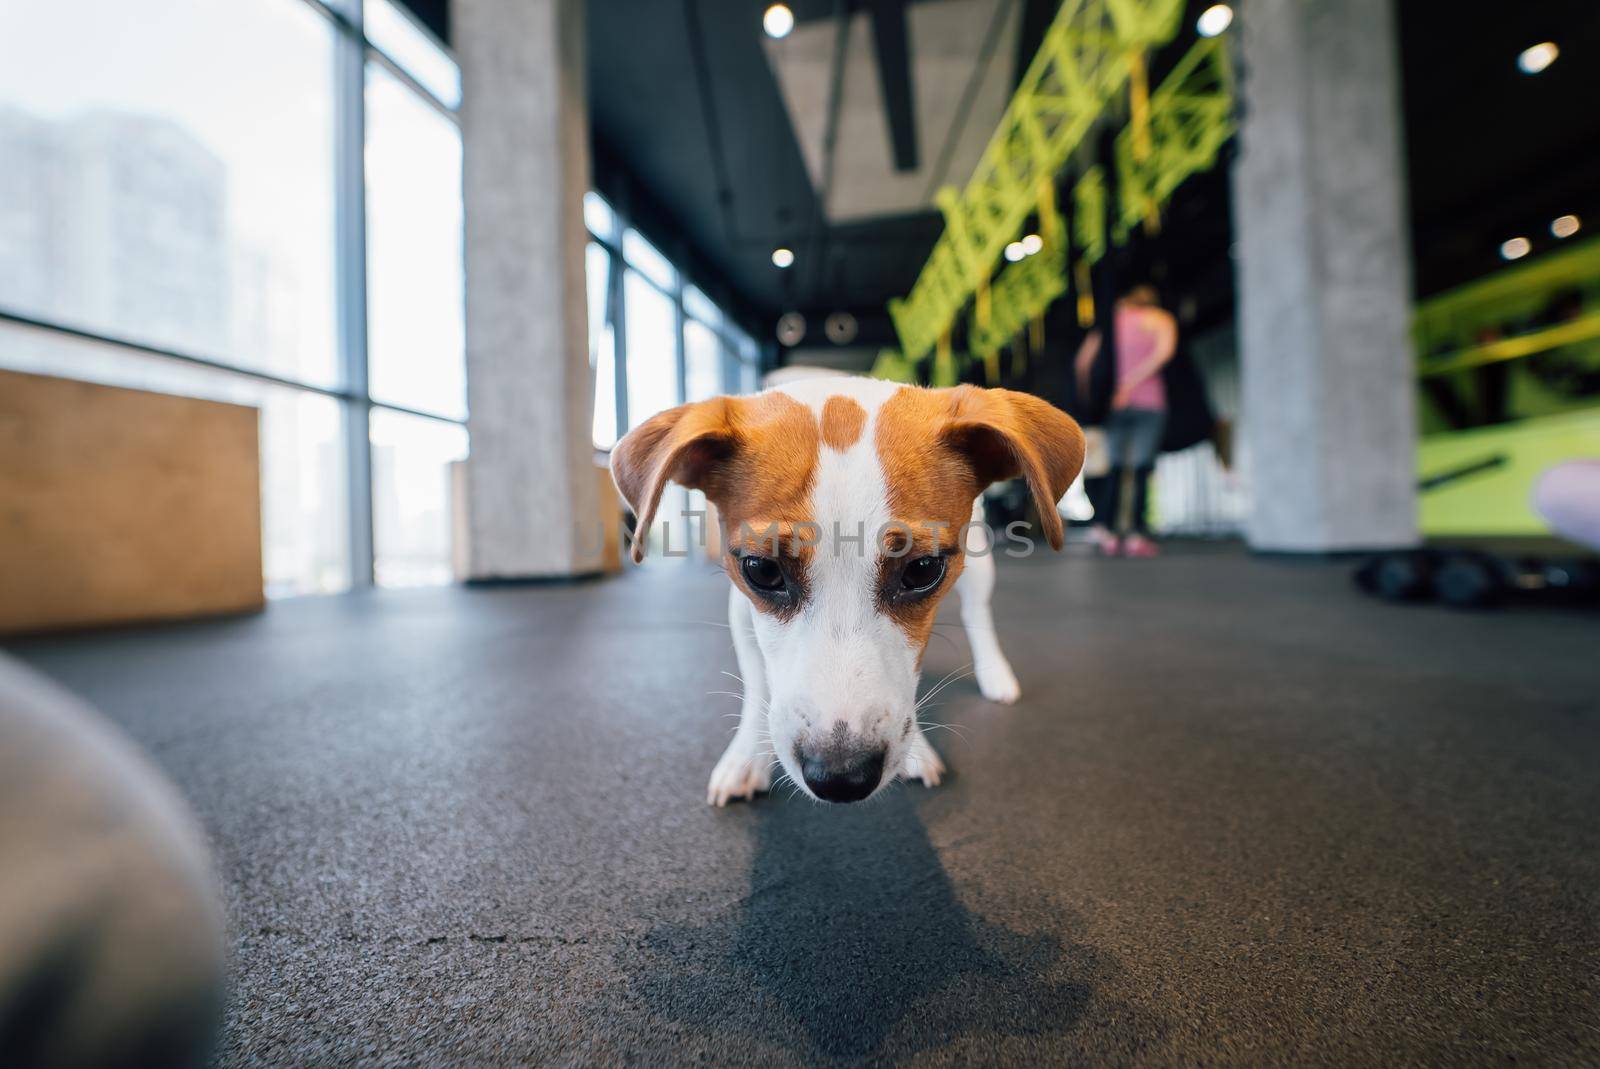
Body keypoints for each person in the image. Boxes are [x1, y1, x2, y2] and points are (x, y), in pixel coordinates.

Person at [1074, 283, 1178, 556]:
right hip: (1150, 402)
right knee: (1141, 467)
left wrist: (1094, 397)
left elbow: (1083, 364)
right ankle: (1135, 534)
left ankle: (1104, 530)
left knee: (1114, 468)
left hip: (1113, 405)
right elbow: (1164, 353)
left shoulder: (1110, 325)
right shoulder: (1159, 319)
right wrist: (1132, 383)